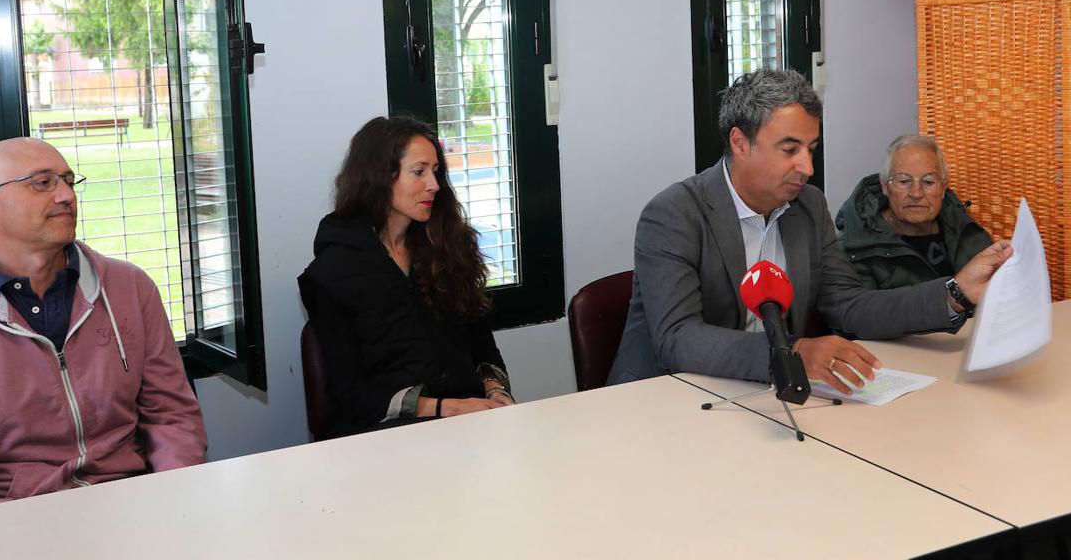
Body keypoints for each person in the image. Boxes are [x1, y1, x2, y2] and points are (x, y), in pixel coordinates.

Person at [606, 69, 1012, 395]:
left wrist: (954, 292)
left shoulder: (808, 206)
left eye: (811, 149)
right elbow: (678, 339)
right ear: (740, 142)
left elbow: (849, 306)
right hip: (663, 401)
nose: (807, 167)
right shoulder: (674, 214)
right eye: (790, 150)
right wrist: (793, 351)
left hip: (770, 397)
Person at [0, 138, 206, 523]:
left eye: (69, 180)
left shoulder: (130, 289)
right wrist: (43, 528)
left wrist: (176, 500)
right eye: (42, 183)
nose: (66, 196)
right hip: (10, 525)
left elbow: (172, 416)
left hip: (130, 506)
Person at [298, 116, 513, 437]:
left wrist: (496, 392)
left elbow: (482, 347)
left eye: (436, 171)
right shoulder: (333, 272)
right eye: (419, 171)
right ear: (380, 177)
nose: (434, 185)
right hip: (382, 437)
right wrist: (447, 408)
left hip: (465, 425)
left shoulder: (448, 248)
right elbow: (351, 396)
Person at [836, 135, 992, 290]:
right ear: (885, 186)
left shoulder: (967, 233)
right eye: (904, 181)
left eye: (928, 181)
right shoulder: (856, 248)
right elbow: (861, 312)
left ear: (943, 188)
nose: (916, 193)